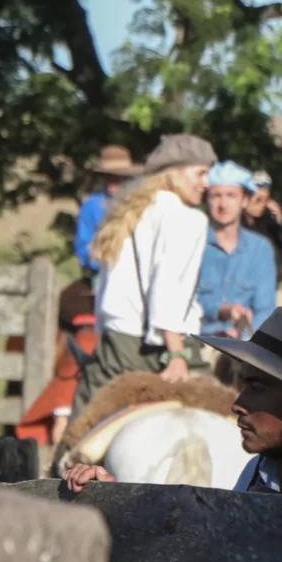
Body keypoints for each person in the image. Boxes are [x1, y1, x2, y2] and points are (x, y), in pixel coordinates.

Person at [65, 308, 282, 496]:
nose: (237, 404)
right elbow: (207, 553)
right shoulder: (259, 472)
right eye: (244, 385)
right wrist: (116, 501)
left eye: (258, 388)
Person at [68, 133, 217, 422]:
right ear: (175, 172)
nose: (207, 183)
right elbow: (168, 286)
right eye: (200, 173)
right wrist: (176, 354)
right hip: (160, 346)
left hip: (116, 343)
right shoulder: (188, 218)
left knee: (83, 432)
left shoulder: (126, 213)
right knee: (224, 417)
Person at [197, 161, 277, 338]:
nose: (223, 204)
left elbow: (265, 309)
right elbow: (180, 301)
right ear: (207, 200)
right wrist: (221, 311)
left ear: (245, 200)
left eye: (231, 195)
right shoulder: (193, 242)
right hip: (198, 341)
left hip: (244, 345)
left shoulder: (260, 248)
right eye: (216, 196)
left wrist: (247, 338)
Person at [73, 145, 143, 276]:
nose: (113, 181)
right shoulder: (91, 205)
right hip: (103, 273)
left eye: (118, 177)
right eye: (109, 176)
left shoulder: (141, 204)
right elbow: (82, 246)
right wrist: (101, 260)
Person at [244, 170, 282, 280]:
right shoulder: (236, 227)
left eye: (266, 200)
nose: (262, 205)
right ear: (245, 199)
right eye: (258, 200)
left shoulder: (266, 221)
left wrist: (281, 222)